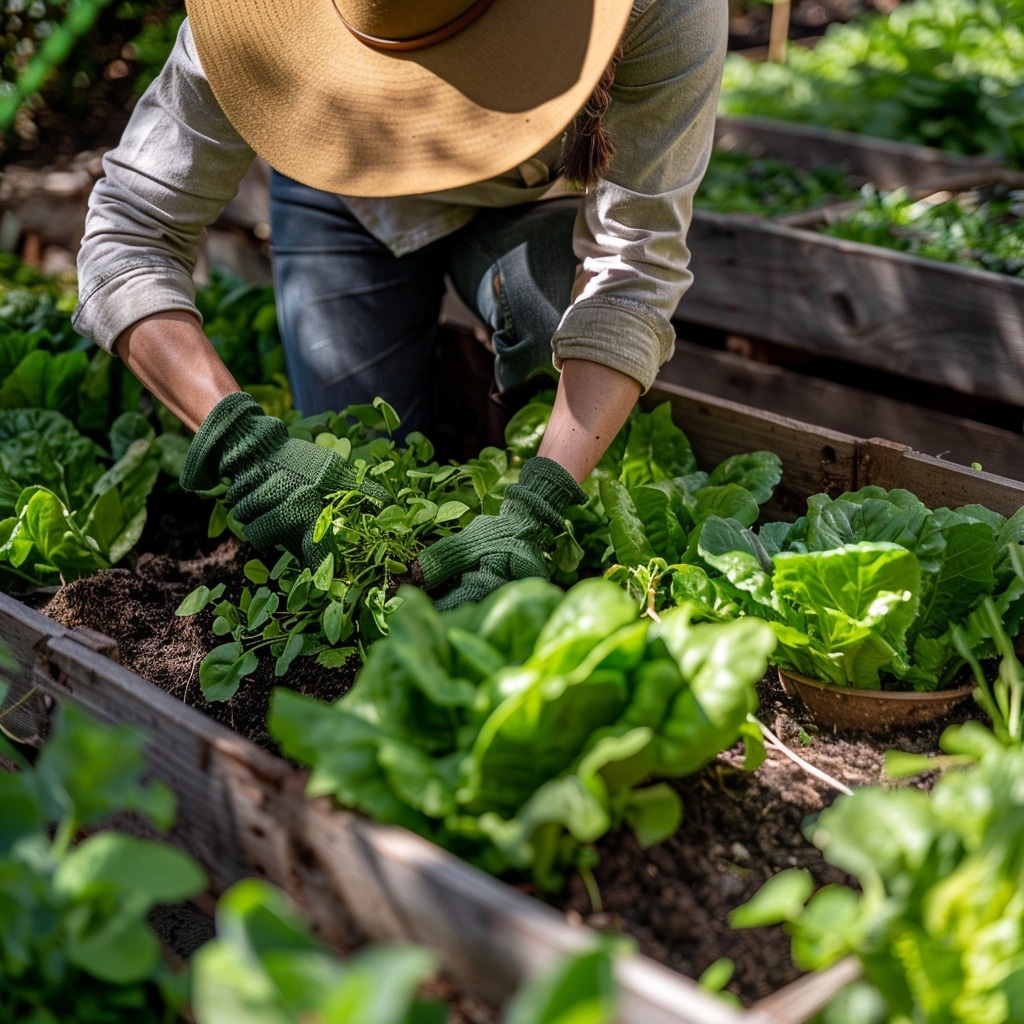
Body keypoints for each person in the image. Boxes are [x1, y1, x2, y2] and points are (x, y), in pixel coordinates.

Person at [73, 0, 727, 607]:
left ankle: (530, 500)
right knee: (358, 488)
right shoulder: (251, 21)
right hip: (346, 201)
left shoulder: (659, 9)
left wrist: (541, 504)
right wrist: (243, 447)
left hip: (533, 199)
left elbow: (633, 270)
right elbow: (128, 233)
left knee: (548, 316)